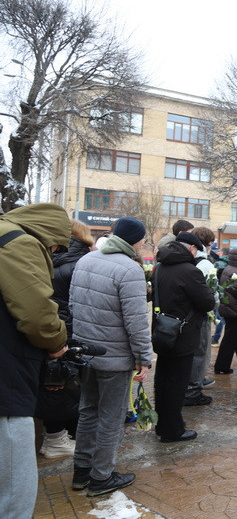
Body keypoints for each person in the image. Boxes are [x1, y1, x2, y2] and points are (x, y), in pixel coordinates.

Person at [71, 217, 151, 497]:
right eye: (142, 239)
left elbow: (73, 306)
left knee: (88, 410)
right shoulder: (129, 269)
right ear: (135, 240)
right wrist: (144, 356)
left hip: (86, 353)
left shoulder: (87, 260)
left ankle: (81, 471)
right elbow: (137, 321)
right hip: (115, 357)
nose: (143, 243)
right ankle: (101, 476)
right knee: (111, 417)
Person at [0, 203, 69, 518]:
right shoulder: (19, 242)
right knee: (15, 479)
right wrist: (57, 341)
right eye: (56, 245)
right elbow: (37, 314)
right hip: (7, 377)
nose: (55, 252)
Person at [36, 220, 94, 459]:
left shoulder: (47, 259)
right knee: (66, 386)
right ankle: (57, 440)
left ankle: (60, 435)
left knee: (56, 382)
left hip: (54, 329)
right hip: (72, 330)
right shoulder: (81, 263)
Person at [152, 232, 215, 442]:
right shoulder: (190, 271)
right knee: (177, 384)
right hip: (182, 334)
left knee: (162, 381)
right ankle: (173, 430)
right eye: (196, 250)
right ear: (191, 248)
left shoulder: (160, 266)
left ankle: (162, 424)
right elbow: (207, 302)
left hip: (163, 332)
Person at [183, 226, 218, 406]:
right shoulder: (205, 263)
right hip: (200, 315)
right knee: (199, 352)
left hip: (183, 315)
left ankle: (187, 388)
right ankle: (193, 391)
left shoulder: (185, 260)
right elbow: (209, 294)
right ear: (208, 243)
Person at [214, 247, 237, 374]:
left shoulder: (231, 269)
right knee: (230, 340)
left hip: (232, 309)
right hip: (233, 310)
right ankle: (221, 367)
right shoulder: (234, 272)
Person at [211, 247, 230, 345]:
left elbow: (213, 278)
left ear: (222, 253)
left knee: (218, 317)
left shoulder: (218, 264)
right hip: (228, 293)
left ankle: (215, 338)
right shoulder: (231, 264)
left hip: (218, 292)